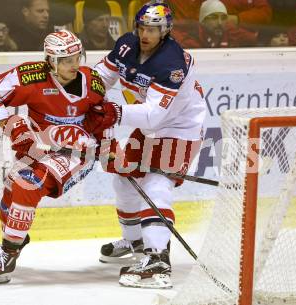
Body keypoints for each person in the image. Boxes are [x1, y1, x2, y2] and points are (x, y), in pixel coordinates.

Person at [0, 29, 111, 284]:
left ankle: (8, 255)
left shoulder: (93, 82)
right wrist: (13, 125)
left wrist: (106, 144)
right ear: (50, 61)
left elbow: (104, 117)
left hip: (76, 153)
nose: (74, 65)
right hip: (39, 148)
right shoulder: (30, 76)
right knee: (12, 188)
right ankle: (13, 241)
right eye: (66, 60)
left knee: (28, 183)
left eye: (77, 57)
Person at [84, 2, 206, 288]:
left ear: (165, 31)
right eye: (141, 27)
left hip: (179, 128)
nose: (145, 34)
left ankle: (158, 261)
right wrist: (82, 97)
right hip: (149, 125)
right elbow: (100, 76)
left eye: (152, 29)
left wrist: (113, 112)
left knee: (156, 184)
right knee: (125, 179)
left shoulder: (172, 63)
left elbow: (153, 115)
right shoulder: (127, 45)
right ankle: (135, 242)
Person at [173, 0, 258, 48]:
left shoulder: (230, 31)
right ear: (202, 21)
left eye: (223, 18)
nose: (220, 23)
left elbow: (255, 39)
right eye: (213, 17)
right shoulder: (189, 37)